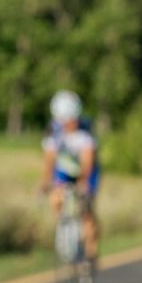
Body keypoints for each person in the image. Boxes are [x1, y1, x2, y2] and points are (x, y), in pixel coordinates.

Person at [39, 90, 100, 267]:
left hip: (86, 168)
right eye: (65, 120)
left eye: (72, 119)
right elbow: (49, 161)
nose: (69, 123)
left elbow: (88, 163)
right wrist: (45, 183)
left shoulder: (85, 132)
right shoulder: (53, 131)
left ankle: (90, 252)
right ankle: (64, 230)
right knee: (56, 197)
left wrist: (83, 184)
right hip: (65, 169)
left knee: (86, 209)